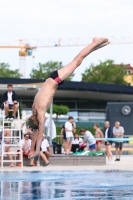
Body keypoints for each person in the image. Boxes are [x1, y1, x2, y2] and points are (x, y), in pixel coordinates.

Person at [27, 37, 110, 158]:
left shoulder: (39, 112)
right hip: (52, 79)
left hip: (56, 79)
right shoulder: (34, 109)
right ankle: (96, 46)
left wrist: (35, 151)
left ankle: (95, 42)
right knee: (78, 61)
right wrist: (31, 150)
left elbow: (39, 135)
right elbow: (35, 133)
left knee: (77, 60)